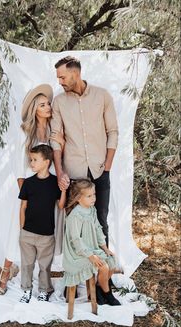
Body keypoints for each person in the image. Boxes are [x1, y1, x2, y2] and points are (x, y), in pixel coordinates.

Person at [0, 84, 64, 295]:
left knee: (45, 229)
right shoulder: (25, 131)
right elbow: (18, 163)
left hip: (49, 185)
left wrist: (61, 141)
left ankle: (46, 277)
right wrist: (25, 189)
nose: (48, 107)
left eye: (48, 103)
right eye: (43, 105)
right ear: (35, 109)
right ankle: (5, 272)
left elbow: (59, 155)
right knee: (18, 228)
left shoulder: (54, 128)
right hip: (30, 185)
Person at [50, 56, 118, 246]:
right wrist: (60, 172)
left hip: (100, 170)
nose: (60, 82)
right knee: (75, 224)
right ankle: (80, 273)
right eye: (58, 78)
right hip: (73, 172)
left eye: (62, 77)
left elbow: (113, 131)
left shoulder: (102, 96)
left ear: (76, 74)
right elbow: (54, 139)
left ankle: (103, 272)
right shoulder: (59, 102)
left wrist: (108, 164)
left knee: (101, 220)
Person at [19, 144, 67, 303]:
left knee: (45, 266)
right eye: (30, 160)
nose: (31, 163)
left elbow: (60, 206)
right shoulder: (28, 183)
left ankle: (44, 290)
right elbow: (23, 207)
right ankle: (26, 290)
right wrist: (22, 230)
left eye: (34, 160)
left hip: (47, 234)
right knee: (27, 264)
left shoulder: (54, 183)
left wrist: (64, 190)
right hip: (27, 233)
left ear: (46, 162)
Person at [63, 179, 120, 306]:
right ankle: (107, 293)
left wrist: (105, 248)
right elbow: (76, 240)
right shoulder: (75, 215)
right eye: (89, 196)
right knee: (103, 266)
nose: (93, 198)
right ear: (78, 198)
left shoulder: (92, 210)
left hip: (91, 248)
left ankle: (98, 288)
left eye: (94, 194)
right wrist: (90, 256)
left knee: (112, 261)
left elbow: (98, 229)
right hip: (77, 254)